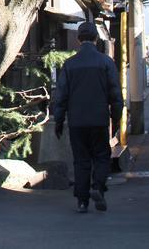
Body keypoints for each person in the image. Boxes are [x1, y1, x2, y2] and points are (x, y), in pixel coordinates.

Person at [52, 21, 123, 213]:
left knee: (81, 160)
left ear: (78, 39)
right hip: (99, 119)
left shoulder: (69, 64)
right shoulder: (106, 62)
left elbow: (61, 96)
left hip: (76, 121)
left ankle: (82, 201)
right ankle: (98, 187)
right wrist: (116, 119)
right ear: (96, 38)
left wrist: (58, 120)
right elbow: (115, 95)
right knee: (101, 156)